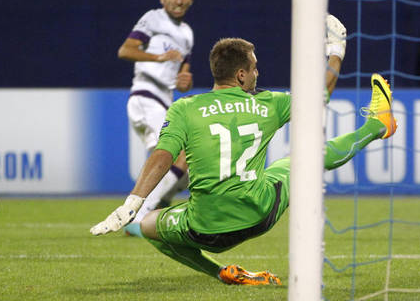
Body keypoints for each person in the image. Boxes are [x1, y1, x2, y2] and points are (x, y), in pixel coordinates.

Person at [90, 15, 398, 285]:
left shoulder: (185, 109)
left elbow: (163, 155)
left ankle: (221, 272)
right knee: (306, 158)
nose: (257, 74)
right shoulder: (267, 104)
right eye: (253, 68)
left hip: (204, 228)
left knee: (145, 226)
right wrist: (335, 51)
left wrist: (134, 201)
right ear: (240, 75)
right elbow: (321, 94)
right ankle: (377, 126)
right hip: (259, 213)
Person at [117, 0, 195, 235]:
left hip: (164, 100)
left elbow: (181, 78)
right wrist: (159, 58)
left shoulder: (187, 34)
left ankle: (157, 206)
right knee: (178, 155)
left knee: (186, 169)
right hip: (145, 97)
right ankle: (137, 217)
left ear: (191, 0)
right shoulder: (153, 18)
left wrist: (184, 82)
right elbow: (126, 50)